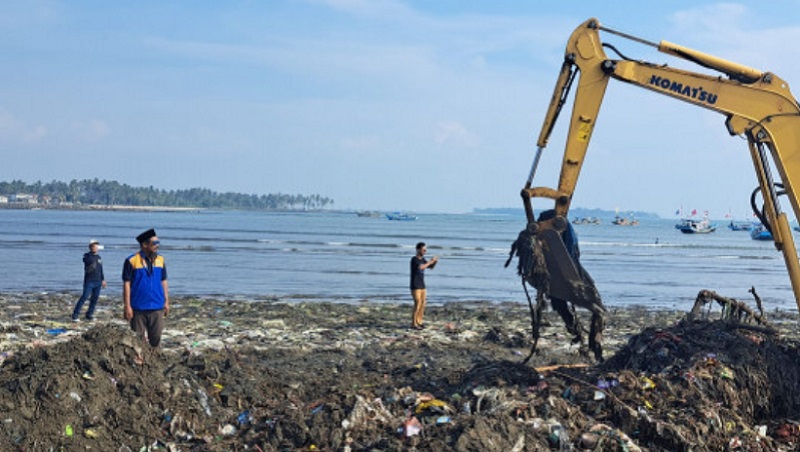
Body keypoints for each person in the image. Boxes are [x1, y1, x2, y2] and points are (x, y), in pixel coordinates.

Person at [122, 228, 170, 347]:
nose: (157, 246)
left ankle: (155, 362)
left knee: (156, 339)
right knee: (138, 341)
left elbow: (163, 281)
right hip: (138, 307)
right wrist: (127, 306)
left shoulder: (160, 260)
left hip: (157, 306)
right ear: (144, 245)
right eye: (154, 243)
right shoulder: (131, 261)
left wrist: (166, 301)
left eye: (158, 243)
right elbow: (126, 284)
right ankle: (140, 363)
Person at [71, 239, 106, 322]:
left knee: (95, 298)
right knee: (84, 297)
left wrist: (103, 279)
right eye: (93, 246)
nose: (95, 248)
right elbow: (87, 261)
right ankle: (75, 315)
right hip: (89, 281)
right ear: (90, 247)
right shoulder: (87, 256)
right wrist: (92, 259)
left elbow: (100, 269)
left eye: (96, 246)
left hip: (98, 281)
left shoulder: (99, 257)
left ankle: (89, 314)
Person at [410, 242, 438, 330]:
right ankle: (413, 323)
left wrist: (434, 262)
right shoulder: (414, 260)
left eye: (425, 250)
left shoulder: (423, 259)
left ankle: (419, 321)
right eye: (423, 250)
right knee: (417, 303)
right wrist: (430, 261)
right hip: (415, 285)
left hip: (422, 284)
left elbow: (430, 267)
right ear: (418, 249)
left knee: (423, 303)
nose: (425, 251)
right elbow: (421, 267)